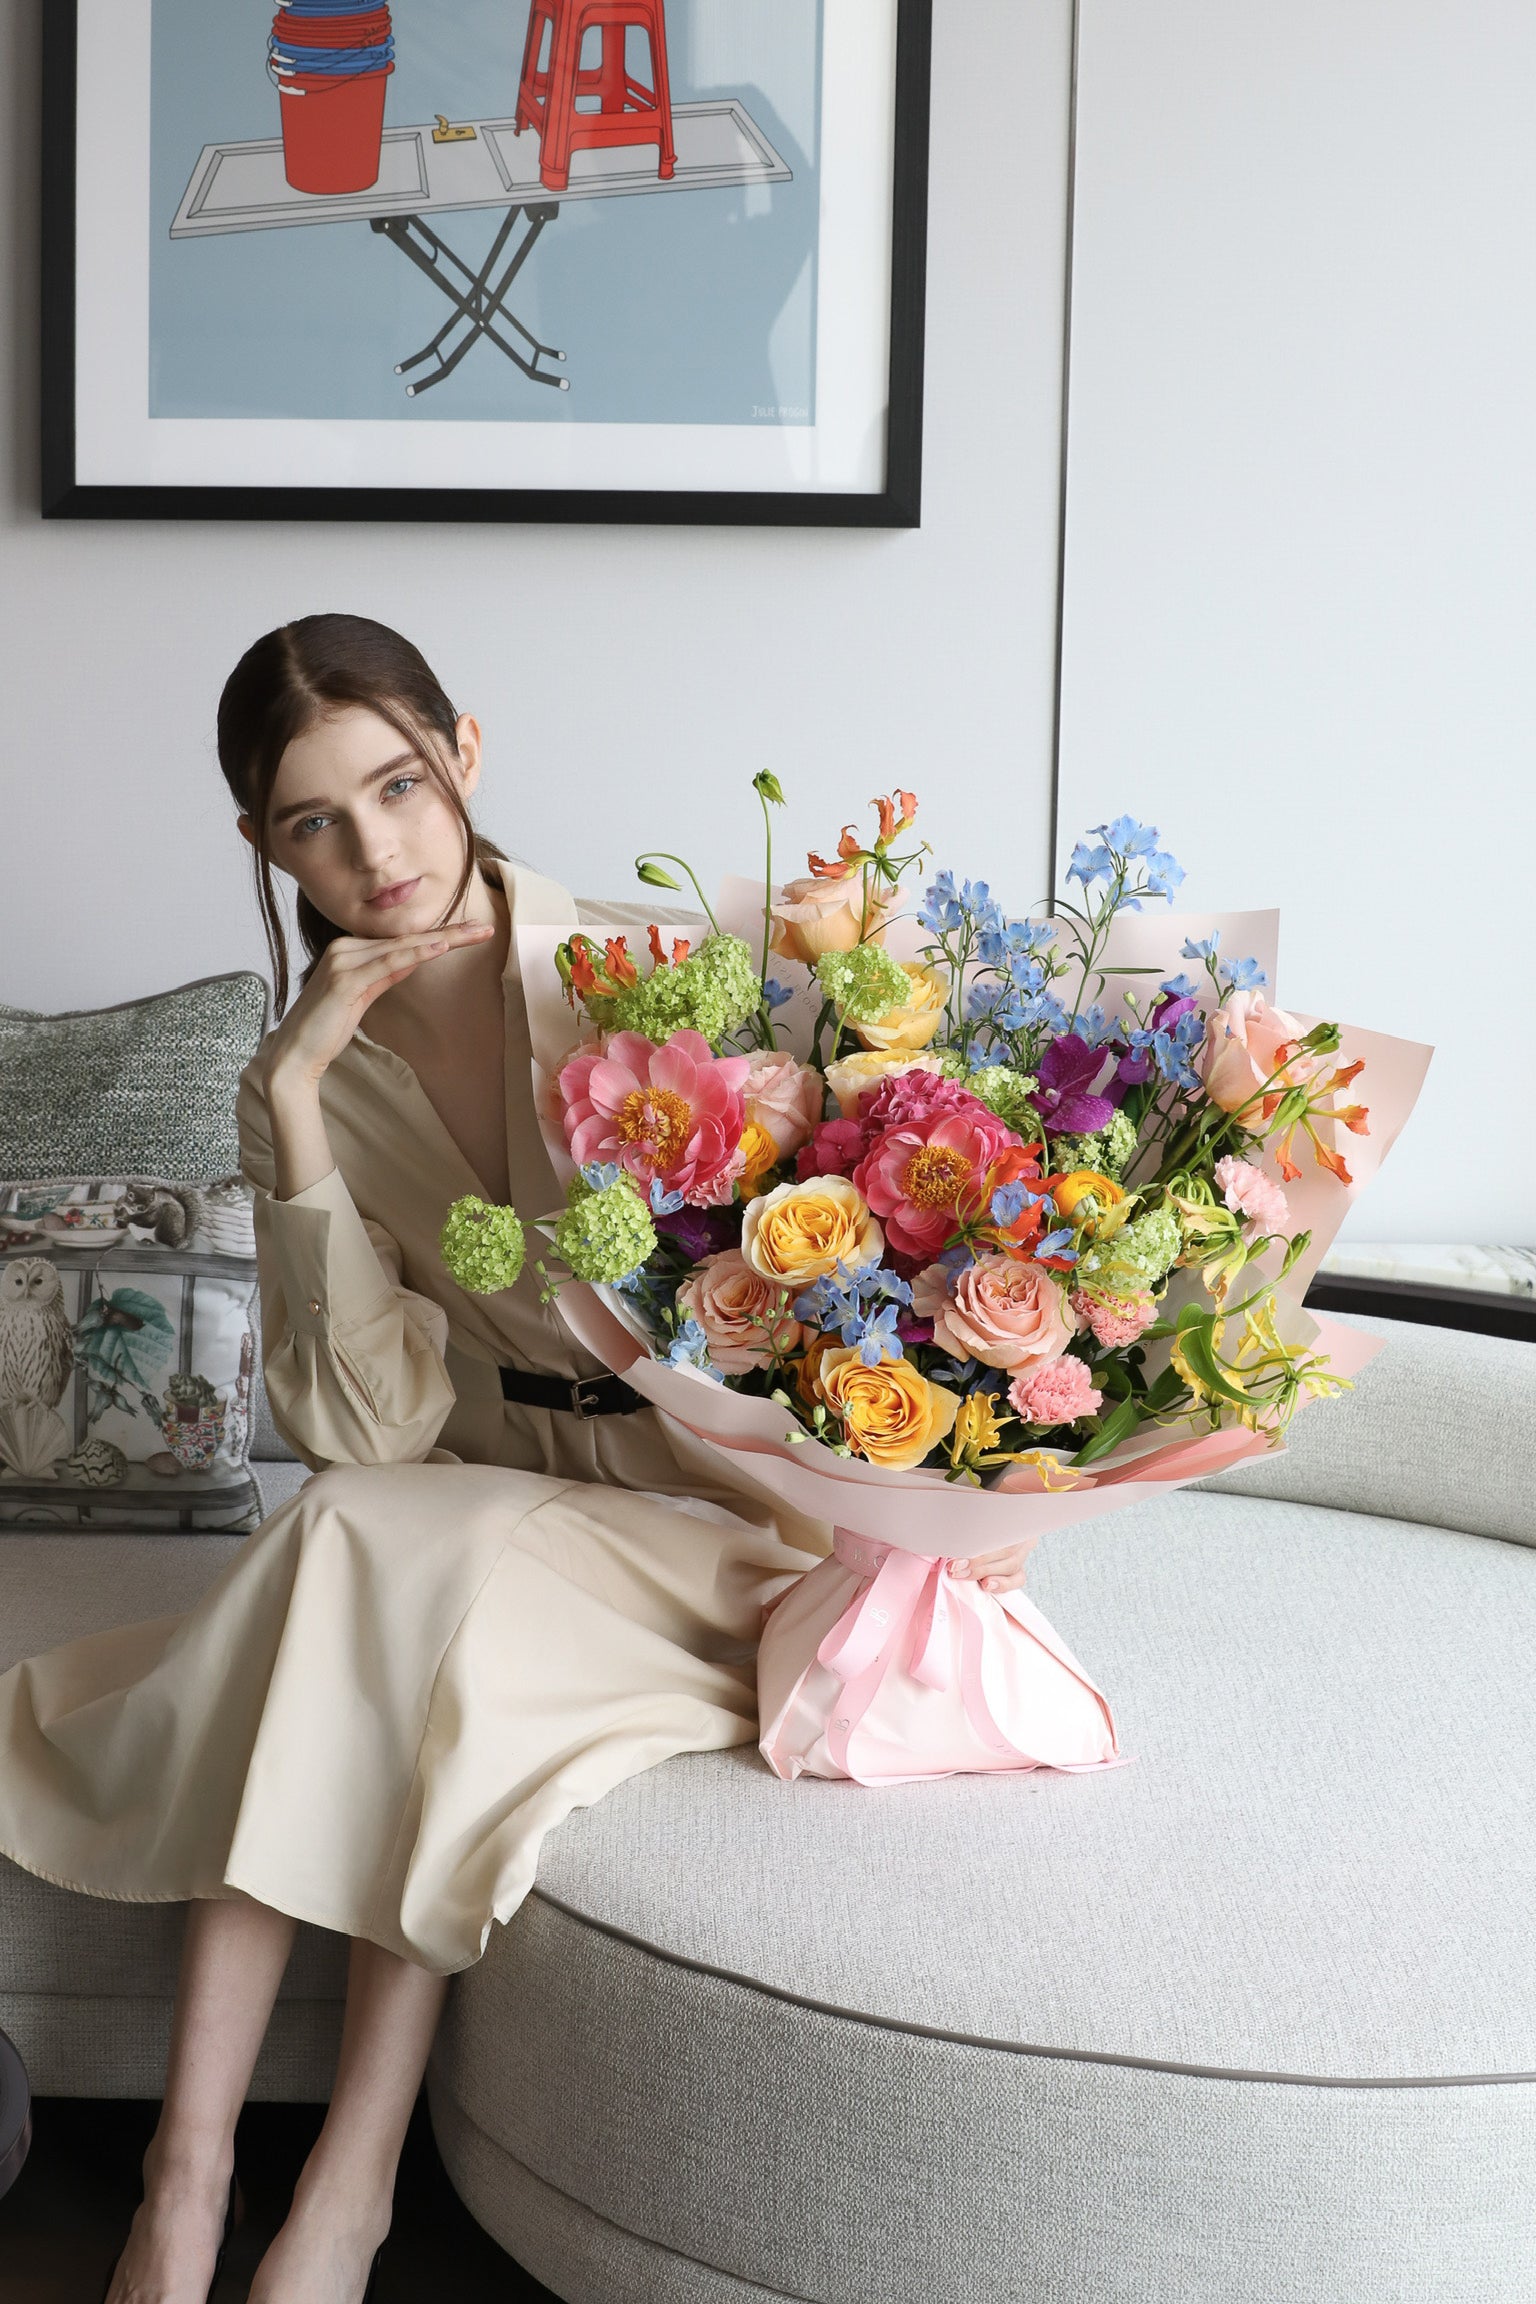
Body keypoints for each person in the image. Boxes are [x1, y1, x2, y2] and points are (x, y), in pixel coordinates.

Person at [0, 614, 1037, 2304]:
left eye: (398, 786)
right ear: (263, 844)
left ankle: (334, 2184)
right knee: (372, 1530)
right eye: (311, 823)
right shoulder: (311, 1065)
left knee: (399, 1567)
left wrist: (943, 1499)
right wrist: (302, 1106)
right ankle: (187, 2190)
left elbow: (856, 1288)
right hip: (482, 1493)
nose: (374, 852)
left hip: (717, 1519)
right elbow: (368, 1424)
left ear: (465, 752)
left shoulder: (662, 978)